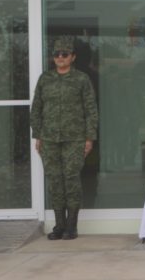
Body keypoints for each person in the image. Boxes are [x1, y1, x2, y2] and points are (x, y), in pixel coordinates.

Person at [31, 37, 98, 241]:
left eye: (64, 54)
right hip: (49, 138)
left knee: (71, 180)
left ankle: (72, 226)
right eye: (56, 54)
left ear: (73, 57)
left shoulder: (81, 79)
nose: (60, 57)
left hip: (75, 139)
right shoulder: (45, 79)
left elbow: (91, 110)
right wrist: (38, 135)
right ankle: (59, 225)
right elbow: (37, 108)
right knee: (54, 181)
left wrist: (89, 137)